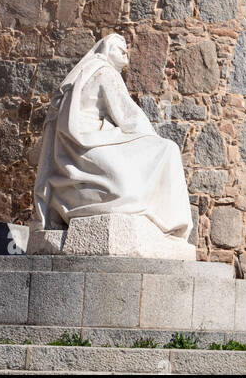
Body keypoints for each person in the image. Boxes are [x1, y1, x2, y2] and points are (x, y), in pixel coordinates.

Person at [33, 33, 192, 239]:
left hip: (77, 145)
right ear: (106, 49)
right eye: (120, 49)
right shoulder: (104, 72)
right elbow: (128, 116)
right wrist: (151, 140)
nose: (126, 54)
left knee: (135, 173)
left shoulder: (81, 73)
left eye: (126, 50)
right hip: (88, 141)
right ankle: (171, 223)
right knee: (167, 148)